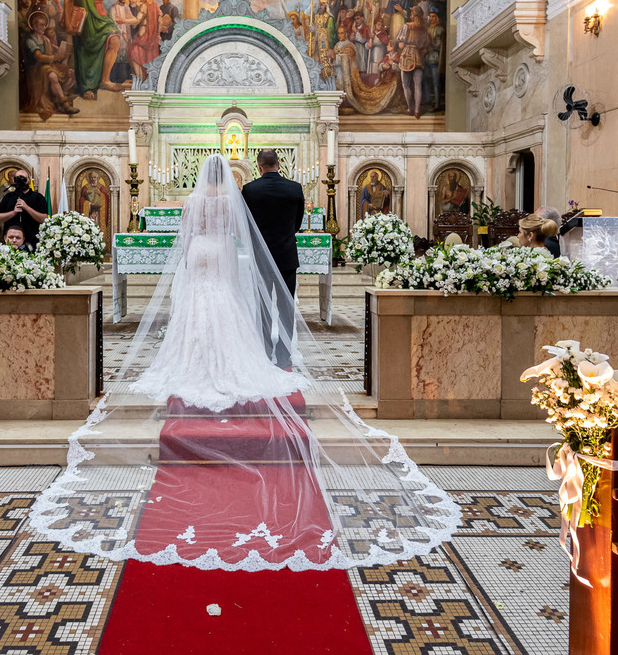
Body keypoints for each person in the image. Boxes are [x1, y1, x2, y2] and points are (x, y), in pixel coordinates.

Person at [28, 153, 462, 572]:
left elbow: (184, 238)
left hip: (199, 253)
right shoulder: (244, 195)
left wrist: (185, 262)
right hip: (226, 253)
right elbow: (243, 234)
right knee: (227, 305)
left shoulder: (196, 201)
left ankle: (192, 361)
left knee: (197, 304)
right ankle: (260, 355)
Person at [242, 149, 306, 368]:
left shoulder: (249, 190)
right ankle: (284, 355)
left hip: (260, 258)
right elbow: (297, 223)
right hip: (287, 256)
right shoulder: (295, 188)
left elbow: (246, 225)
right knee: (286, 307)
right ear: (279, 164)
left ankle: (264, 351)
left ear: (259, 167)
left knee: (263, 306)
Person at [63, 0, 139, 99]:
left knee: (114, 39)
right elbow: (68, 0)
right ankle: (87, 87)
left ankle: (105, 80)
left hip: (99, 14)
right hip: (84, 17)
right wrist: (69, 23)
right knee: (86, 51)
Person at [0, 169, 49, 248]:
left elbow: (44, 219)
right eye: (18, 178)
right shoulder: (8, 197)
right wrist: (13, 212)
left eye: (24, 178)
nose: (21, 181)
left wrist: (26, 208)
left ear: (29, 180)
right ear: (14, 180)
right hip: (12, 242)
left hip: (33, 241)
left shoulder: (38, 197)